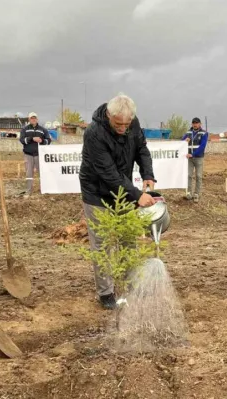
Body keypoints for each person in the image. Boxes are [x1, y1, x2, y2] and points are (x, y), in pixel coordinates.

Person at [79, 94, 156, 309]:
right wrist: (137, 195)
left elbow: (141, 148)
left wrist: (147, 173)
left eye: (127, 124)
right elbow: (108, 173)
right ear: (109, 115)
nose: (123, 128)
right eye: (118, 124)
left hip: (124, 190)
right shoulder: (94, 133)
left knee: (128, 239)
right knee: (101, 243)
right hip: (96, 191)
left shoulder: (133, 123)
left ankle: (130, 285)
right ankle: (106, 293)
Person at [19, 112, 51, 198]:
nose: (33, 119)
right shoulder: (25, 129)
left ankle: (44, 190)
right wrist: (32, 138)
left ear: (37, 119)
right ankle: (29, 191)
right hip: (28, 154)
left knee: (42, 173)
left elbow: (48, 140)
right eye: (31, 118)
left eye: (35, 118)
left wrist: (42, 141)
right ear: (29, 119)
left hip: (39, 155)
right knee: (29, 173)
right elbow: (22, 140)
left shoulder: (43, 130)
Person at [181, 117, 208, 203]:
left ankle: (196, 194)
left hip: (199, 158)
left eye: (196, 123)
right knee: (189, 175)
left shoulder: (204, 133)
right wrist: (185, 141)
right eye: (193, 123)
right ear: (192, 124)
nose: (195, 124)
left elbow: (202, 146)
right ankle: (189, 193)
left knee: (199, 176)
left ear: (200, 124)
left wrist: (193, 154)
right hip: (189, 158)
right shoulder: (188, 133)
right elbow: (181, 142)